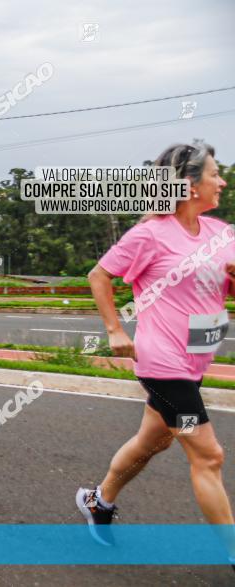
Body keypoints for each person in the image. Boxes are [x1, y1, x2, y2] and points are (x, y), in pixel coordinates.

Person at [77, 142, 235, 555]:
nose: (222, 181)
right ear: (188, 184)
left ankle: (99, 500)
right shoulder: (151, 234)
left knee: (155, 440)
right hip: (161, 366)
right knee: (208, 454)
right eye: (214, 174)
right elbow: (99, 275)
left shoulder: (223, 235)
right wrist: (114, 329)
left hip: (196, 359)